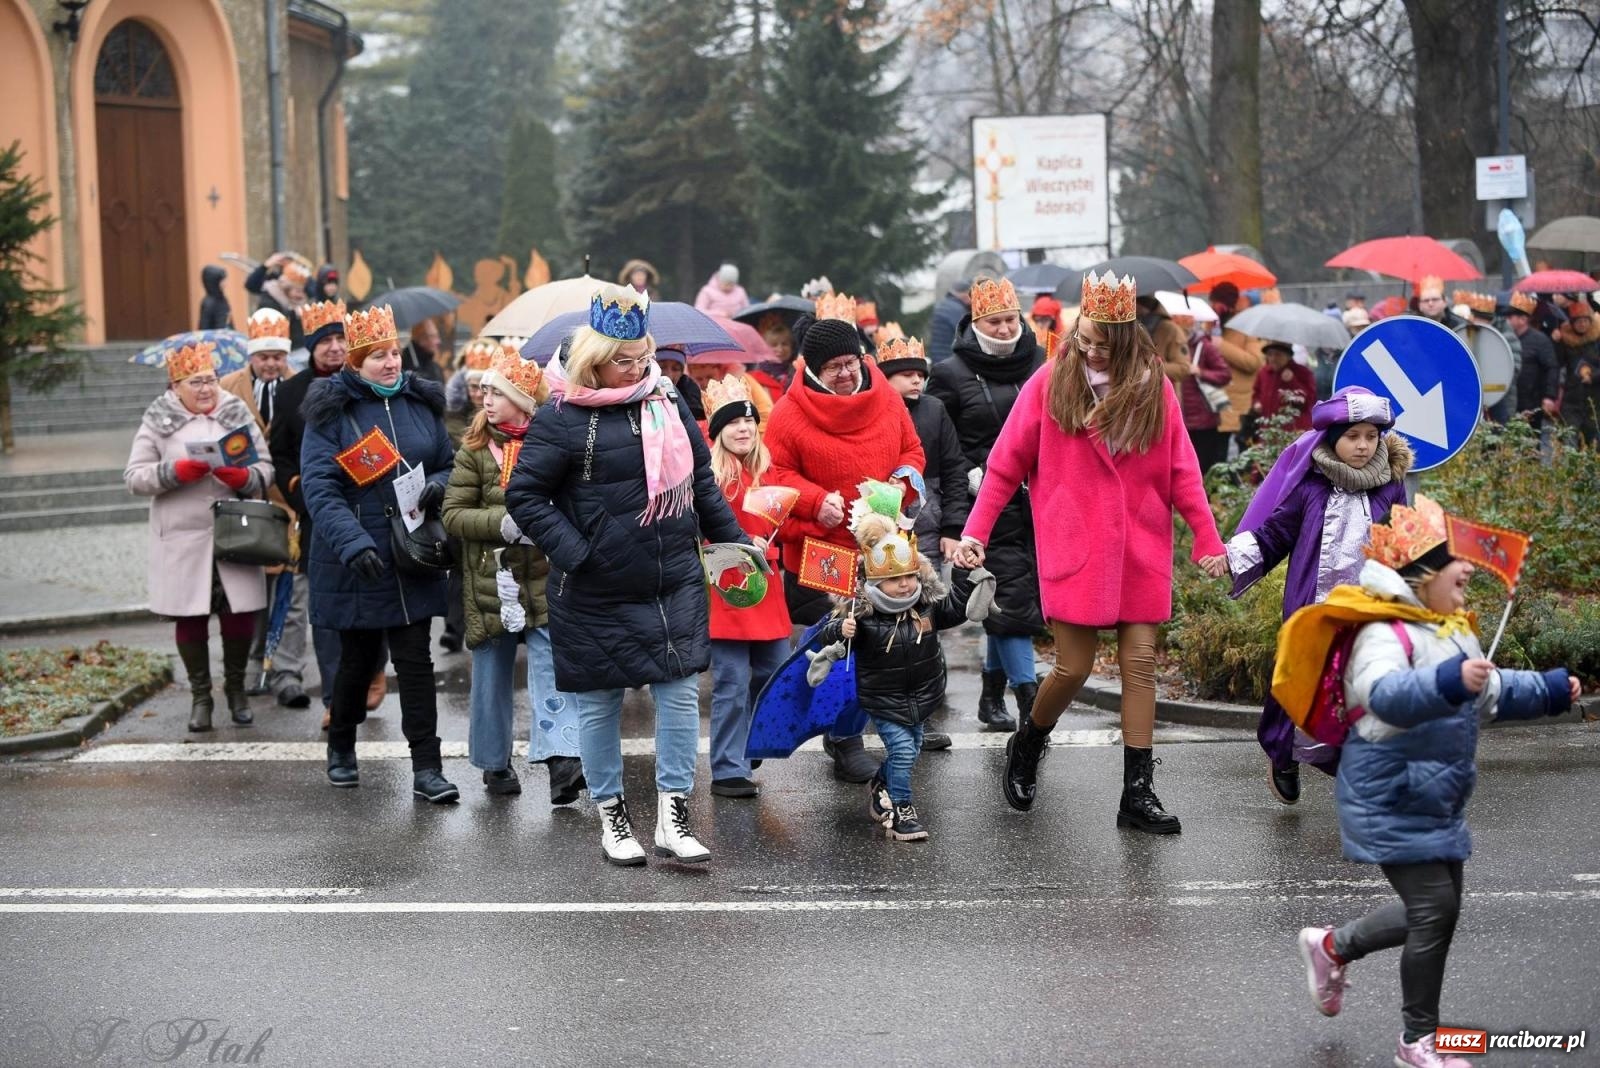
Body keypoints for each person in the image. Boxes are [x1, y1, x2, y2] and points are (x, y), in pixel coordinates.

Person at [1286, 496, 1578, 1068]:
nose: (1469, 568)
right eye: (1455, 561)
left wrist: (1546, 689)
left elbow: (1488, 691)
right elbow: (1384, 697)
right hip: (1389, 793)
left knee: (1438, 912)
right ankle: (1417, 1040)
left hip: (1436, 796)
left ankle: (1332, 946)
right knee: (1434, 909)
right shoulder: (1384, 634)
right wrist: (1449, 679)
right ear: (1422, 575)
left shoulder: (1451, 631)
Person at [954, 270, 1229, 833]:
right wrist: (975, 533)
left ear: (1127, 340)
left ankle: (1138, 792)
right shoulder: (1052, 382)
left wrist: (1207, 536)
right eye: (1086, 339)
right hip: (1075, 541)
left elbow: (1183, 470)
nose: (1092, 349)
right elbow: (1005, 464)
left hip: (1140, 543)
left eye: (1103, 343)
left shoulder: (1156, 386)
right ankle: (1028, 740)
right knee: (1074, 668)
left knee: (1141, 666)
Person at [504, 284, 754, 866]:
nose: (640, 367)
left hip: (671, 582)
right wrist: (578, 551)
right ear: (594, 359)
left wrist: (736, 545)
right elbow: (525, 495)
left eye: (645, 356)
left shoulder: (667, 405)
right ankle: (613, 816)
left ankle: (673, 815)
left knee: (679, 699)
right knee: (598, 707)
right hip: (595, 588)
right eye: (626, 360)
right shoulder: (560, 419)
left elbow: (701, 488)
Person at [763, 294, 930, 781]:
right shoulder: (789, 414)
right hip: (823, 548)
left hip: (882, 545)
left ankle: (891, 719)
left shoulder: (886, 396)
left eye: (852, 361)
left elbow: (912, 452)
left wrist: (898, 489)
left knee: (890, 641)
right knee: (845, 644)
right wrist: (818, 502)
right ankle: (845, 738)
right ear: (812, 369)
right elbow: (774, 477)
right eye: (834, 366)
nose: (846, 373)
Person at [300, 304, 459, 803]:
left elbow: (448, 464)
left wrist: (438, 484)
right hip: (360, 557)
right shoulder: (332, 411)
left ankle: (427, 767)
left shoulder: (419, 404)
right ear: (355, 361)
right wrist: (352, 542)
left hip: (410, 551)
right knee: (359, 659)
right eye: (377, 357)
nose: (390, 364)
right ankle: (342, 745)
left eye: (394, 353)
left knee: (415, 660)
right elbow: (320, 487)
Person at [1225, 388, 1410, 803]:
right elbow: (1275, 533)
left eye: (1371, 436)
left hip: (1367, 611)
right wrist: (1229, 557)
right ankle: (1284, 752)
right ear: (1332, 439)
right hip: (1313, 607)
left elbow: (1402, 543)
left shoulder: (1391, 487)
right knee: (1301, 683)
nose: (1363, 445)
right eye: (1353, 436)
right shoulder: (1310, 487)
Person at [806, 491, 994, 841]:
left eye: (909, 576)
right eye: (895, 580)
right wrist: (841, 628)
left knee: (910, 750)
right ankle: (902, 809)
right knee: (904, 751)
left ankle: (882, 782)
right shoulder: (863, 614)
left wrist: (966, 578)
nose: (905, 583)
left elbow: (954, 609)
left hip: (922, 695)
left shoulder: (925, 606)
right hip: (884, 698)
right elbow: (829, 636)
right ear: (877, 583)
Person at [442, 348, 585, 803]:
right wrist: (500, 524)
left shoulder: (551, 446)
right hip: (492, 580)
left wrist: (545, 525)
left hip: (543, 577)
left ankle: (562, 761)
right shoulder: (474, 453)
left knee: (551, 670)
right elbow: (453, 515)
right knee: (491, 674)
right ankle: (493, 762)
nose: (486, 399)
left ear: (524, 401)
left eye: (497, 393)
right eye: (484, 391)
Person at [124, 341, 273, 732]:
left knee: (238, 615)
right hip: (182, 537)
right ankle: (201, 697)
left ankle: (237, 691)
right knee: (190, 617)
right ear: (175, 386)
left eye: (210, 380)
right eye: (196, 382)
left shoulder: (234, 410)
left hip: (234, 530)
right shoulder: (158, 419)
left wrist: (244, 477)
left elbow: (265, 467)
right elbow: (134, 477)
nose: (206, 389)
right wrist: (176, 471)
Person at [928, 276, 1044, 733]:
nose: (1003, 328)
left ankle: (991, 695)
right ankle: (1032, 702)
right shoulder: (951, 372)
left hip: (1039, 499)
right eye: (993, 321)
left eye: (1010, 320)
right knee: (1008, 598)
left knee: (1005, 597)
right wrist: (974, 469)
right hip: (987, 501)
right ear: (976, 323)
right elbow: (940, 436)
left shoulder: (1042, 361)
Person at [271, 300, 380, 730]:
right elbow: (280, 454)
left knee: (378, 598)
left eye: (340, 340)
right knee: (329, 610)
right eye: (325, 342)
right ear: (311, 347)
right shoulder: (291, 391)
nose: (334, 348)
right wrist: (298, 489)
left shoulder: (367, 383)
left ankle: (374, 667)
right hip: (321, 512)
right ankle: (336, 698)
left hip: (371, 506)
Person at [701, 374, 790, 799]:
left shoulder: (771, 471)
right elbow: (696, 531)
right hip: (727, 588)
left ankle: (746, 742)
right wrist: (737, 541)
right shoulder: (708, 476)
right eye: (734, 422)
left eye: (750, 421)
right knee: (731, 682)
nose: (743, 428)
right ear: (718, 431)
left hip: (768, 587)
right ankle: (726, 768)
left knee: (774, 671)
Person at [223, 308, 310, 707]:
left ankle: (287, 671)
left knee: (292, 591)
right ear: (251, 356)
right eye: (264, 356)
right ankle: (256, 658)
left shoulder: (302, 386)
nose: (272, 363)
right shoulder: (228, 387)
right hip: (246, 505)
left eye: (278, 355)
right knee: (252, 589)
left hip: (290, 502)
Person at [879, 336, 971, 573]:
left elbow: (954, 470)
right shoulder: (871, 413)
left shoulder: (934, 409)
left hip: (930, 526)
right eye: (907, 374)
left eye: (921, 375)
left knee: (932, 593)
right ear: (885, 378)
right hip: (881, 526)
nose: (917, 380)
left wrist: (953, 527)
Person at [1170, 302, 1233, 474]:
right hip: (1181, 418)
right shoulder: (1172, 347)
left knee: (1203, 467)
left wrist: (1200, 372)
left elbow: (1225, 374)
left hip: (1203, 420)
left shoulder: (1203, 345)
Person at [1507, 292, 1560, 443]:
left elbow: (1552, 368)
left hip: (1532, 401)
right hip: (1510, 401)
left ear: (1523, 319)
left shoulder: (1540, 340)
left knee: (1531, 444)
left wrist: (1550, 396)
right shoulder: (1506, 339)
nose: (1507, 320)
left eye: (1511, 317)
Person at [1555, 299, 1600, 446]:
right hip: (1572, 399)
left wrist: (1593, 377)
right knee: (1570, 439)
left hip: (1595, 399)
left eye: (1585, 321)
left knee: (1593, 442)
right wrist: (1556, 341)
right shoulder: (1566, 340)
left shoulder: (1597, 339)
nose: (1582, 324)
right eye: (1578, 321)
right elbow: (1558, 362)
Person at [245, 253, 310, 349]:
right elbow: (251, 285)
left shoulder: (294, 306)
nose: (300, 295)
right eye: (297, 291)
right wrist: (266, 266)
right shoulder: (270, 301)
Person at [1251, 341, 1318, 434]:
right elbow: (1256, 393)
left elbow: (1308, 402)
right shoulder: (1264, 372)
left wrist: (1292, 382)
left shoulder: (1303, 373)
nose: (1273, 358)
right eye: (1270, 354)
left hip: (1293, 431)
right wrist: (1256, 403)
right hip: (1268, 430)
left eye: (1278, 355)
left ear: (1288, 356)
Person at [444, 337, 500, 447]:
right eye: (473, 387)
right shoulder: (454, 416)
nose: (479, 394)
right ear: (465, 386)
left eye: (484, 388)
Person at [927, 279, 971, 364]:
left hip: (936, 355)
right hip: (949, 357)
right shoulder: (957, 310)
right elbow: (966, 334)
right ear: (965, 295)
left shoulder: (942, 305)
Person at [401, 318, 446, 384]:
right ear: (421, 338)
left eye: (437, 336)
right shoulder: (404, 365)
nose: (438, 341)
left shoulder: (435, 367)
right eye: (433, 336)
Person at [1028, 294, 1064, 359]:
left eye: (1044, 320)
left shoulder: (1062, 334)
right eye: (1036, 320)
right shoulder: (1030, 330)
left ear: (1053, 319)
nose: (1039, 324)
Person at [198, 265, 232, 330]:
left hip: (226, 336)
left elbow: (228, 321)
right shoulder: (209, 303)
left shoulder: (222, 300)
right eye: (221, 281)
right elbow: (204, 327)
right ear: (214, 282)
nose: (224, 284)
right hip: (215, 338)